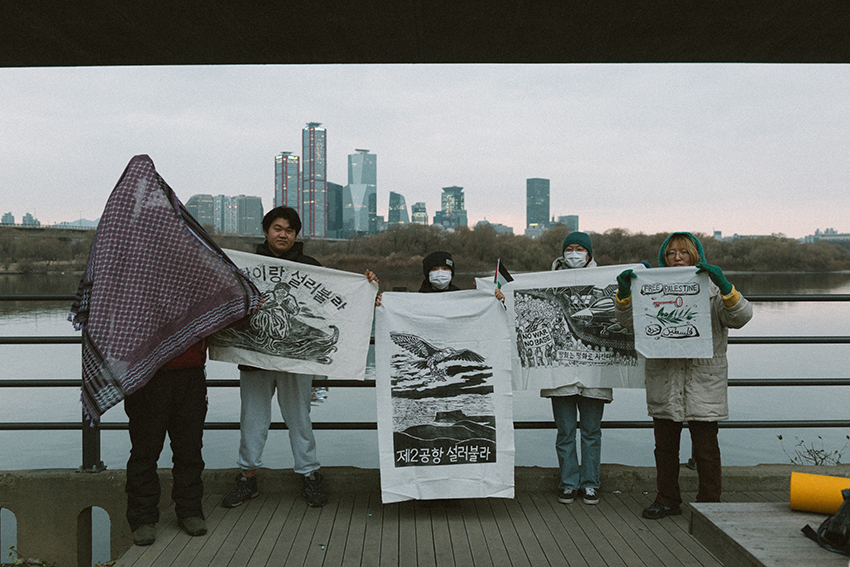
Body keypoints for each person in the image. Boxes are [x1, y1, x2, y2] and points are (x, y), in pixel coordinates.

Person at [221, 206, 378, 509]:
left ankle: (309, 474)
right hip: (255, 360)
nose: (283, 234)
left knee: (300, 420)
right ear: (266, 231)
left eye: (289, 230)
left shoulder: (309, 265)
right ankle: (247, 476)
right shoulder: (244, 266)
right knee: (252, 420)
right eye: (278, 228)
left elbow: (338, 301)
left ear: (296, 235)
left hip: (297, 363)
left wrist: (366, 286)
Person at [614, 232, 752, 520]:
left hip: (704, 380)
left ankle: (710, 505)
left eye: (684, 252)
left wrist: (727, 288)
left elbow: (740, 318)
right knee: (664, 449)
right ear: (664, 257)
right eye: (671, 253)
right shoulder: (650, 288)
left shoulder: (714, 288)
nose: (677, 257)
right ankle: (667, 499)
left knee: (706, 450)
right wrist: (625, 296)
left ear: (696, 256)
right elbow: (629, 324)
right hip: (664, 379)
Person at [545, 231, 610, 506]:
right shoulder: (547, 282)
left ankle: (591, 483)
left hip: (594, 372)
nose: (574, 254)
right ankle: (569, 482)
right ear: (562, 253)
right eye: (569, 249)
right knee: (565, 431)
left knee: (592, 432)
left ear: (589, 254)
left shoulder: (605, 281)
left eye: (579, 249)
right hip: (560, 371)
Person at [125, 341, 209, 545]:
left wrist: (251, 307)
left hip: (191, 372)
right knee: (144, 451)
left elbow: (224, 313)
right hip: (146, 374)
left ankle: (189, 510)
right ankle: (142, 518)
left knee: (190, 448)